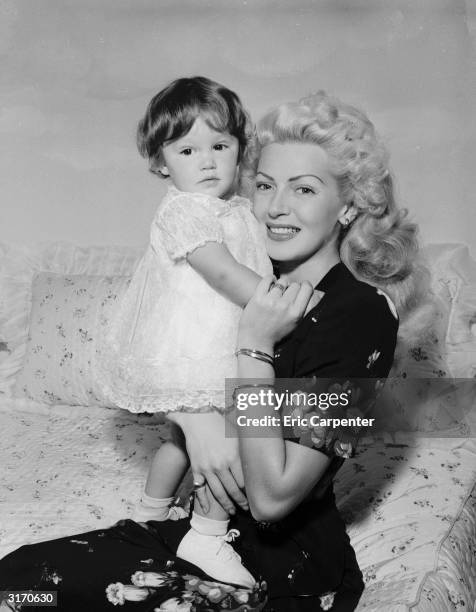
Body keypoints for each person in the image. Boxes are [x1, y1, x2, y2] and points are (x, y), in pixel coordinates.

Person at [0, 91, 419, 611]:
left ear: (348, 203)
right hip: (187, 532)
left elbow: (273, 499)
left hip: (276, 573)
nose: (276, 207)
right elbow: (163, 351)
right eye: (264, 185)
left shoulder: (360, 314)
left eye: (304, 189)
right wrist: (195, 422)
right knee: (17, 585)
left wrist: (255, 344)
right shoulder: (238, 269)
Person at [95, 76, 272, 587]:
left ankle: (150, 516)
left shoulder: (235, 208)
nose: (208, 161)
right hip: (194, 344)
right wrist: (281, 303)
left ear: (240, 150)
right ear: (160, 162)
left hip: (216, 339)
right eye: (188, 149)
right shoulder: (183, 210)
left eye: (221, 145)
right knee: (228, 439)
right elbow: (221, 272)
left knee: (178, 439)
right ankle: (207, 535)